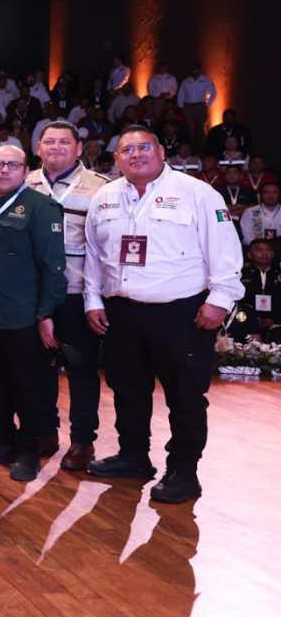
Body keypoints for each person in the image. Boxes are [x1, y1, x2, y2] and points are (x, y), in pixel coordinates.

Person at [83, 125, 244, 503]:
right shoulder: (104, 197)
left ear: (161, 152)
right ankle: (133, 456)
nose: (135, 155)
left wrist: (220, 299)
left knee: (185, 395)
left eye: (144, 147)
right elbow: (93, 254)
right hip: (122, 312)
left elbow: (224, 248)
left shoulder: (197, 193)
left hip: (181, 312)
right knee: (127, 389)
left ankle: (183, 471)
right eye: (127, 150)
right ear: (116, 158)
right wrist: (93, 299)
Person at [0, 145, 67, 481]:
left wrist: (46, 313)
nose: (4, 170)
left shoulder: (41, 207)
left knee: (28, 384)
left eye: (12, 165)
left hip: (22, 312)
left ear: (25, 170)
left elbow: (53, 266)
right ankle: (0, 440)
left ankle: (28, 450)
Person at [25, 121, 111, 469]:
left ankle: (82, 441)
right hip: (33, 296)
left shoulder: (102, 188)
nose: (56, 147)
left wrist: (96, 298)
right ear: (38, 148)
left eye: (64, 142)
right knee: (36, 369)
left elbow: (104, 248)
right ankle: (45, 432)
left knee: (81, 370)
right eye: (49, 142)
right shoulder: (24, 182)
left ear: (78, 148)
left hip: (77, 294)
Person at [240, 181, 281, 245]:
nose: (270, 195)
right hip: (256, 248)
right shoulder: (250, 212)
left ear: (279, 194)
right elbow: (246, 236)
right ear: (260, 195)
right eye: (266, 192)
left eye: (274, 192)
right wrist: (259, 247)